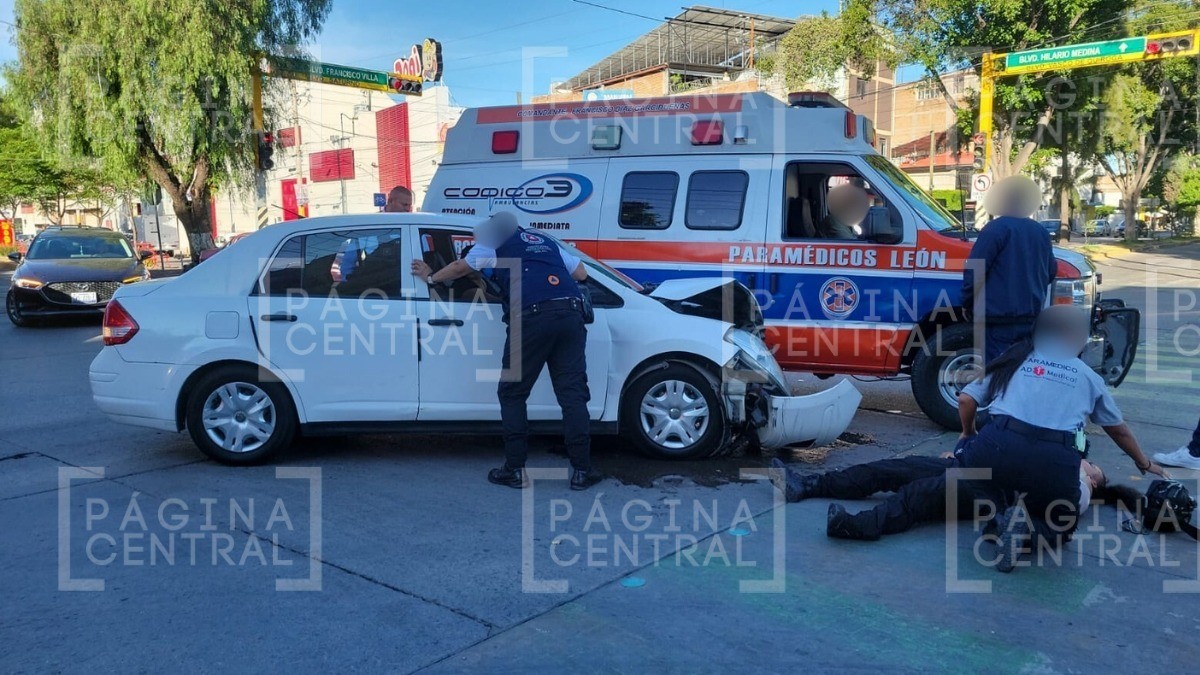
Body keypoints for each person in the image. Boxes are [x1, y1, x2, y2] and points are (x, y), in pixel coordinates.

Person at [953, 304, 1168, 572]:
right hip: (1054, 459)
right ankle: (1024, 534)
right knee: (1062, 524)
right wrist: (1143, 462)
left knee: (965, 459)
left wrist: (968, 433)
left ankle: (999, 516)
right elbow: (1117, 429)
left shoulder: (1015, 358)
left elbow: (965, 398)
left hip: (998, 444)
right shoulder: (1089, 377)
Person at [410, 212, 601, 491]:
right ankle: (582, 471)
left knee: (512, 393)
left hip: (531, 318)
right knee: (572, 394)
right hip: (571, 314)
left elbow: (460, 267)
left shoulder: (492, 243)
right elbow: (581, 273)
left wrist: (431, 278)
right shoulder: (544, 242)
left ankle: (514, 470)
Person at [772, 454, 1116, 540]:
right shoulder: (1063, 451)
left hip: (990, 489)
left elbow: (1055, 511)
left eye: (1096, 468)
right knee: (891, 468)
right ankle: (810, 485)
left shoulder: (1080, 488)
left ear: (1096, 481)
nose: (1092, 463)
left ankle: (857, 527)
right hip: (971, 462)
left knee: (919, 495)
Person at [962, 176, 1057, 364]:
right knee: (1021, 372)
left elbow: (976, 270)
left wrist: (966, 301)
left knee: (997, 373)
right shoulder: (1040, 232)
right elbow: (1051, 271)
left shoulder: (995, 229)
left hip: (998, 320)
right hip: (1030, 317)